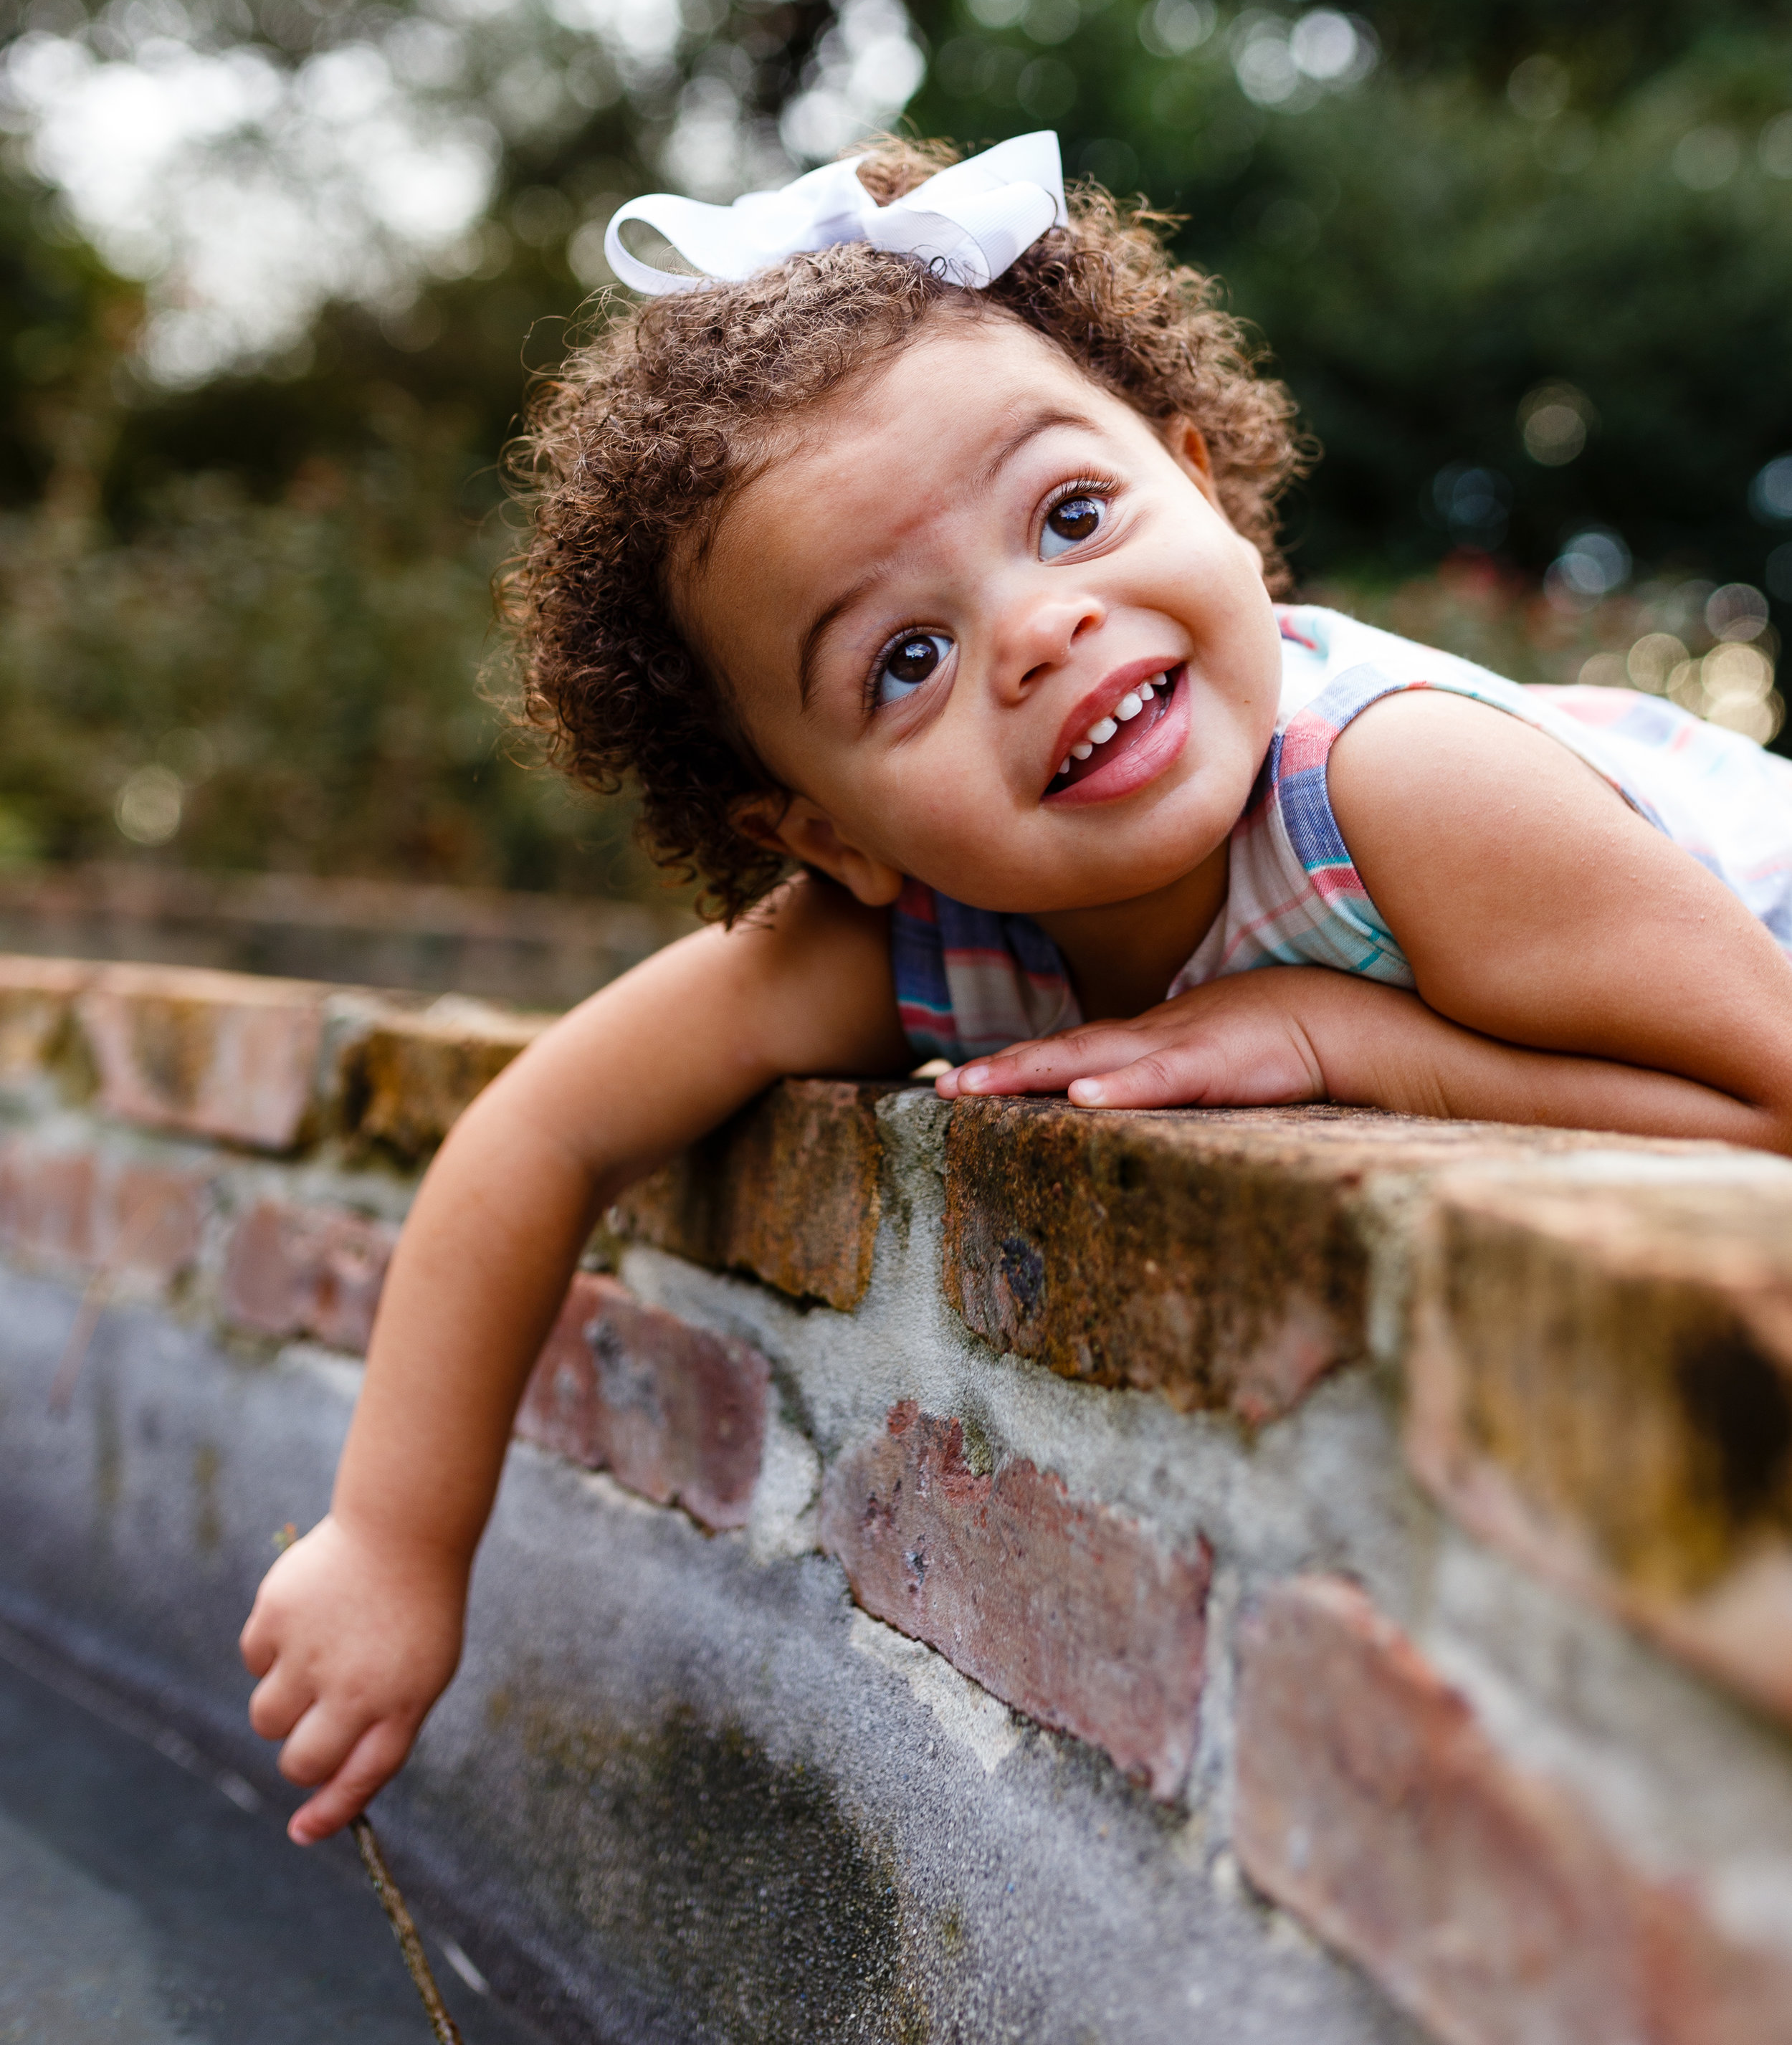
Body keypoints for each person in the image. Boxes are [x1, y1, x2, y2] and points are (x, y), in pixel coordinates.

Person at [240, 130, 1792, 1842]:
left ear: (1199, 483)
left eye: (1070, 515)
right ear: (821, 829)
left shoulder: (1402, 789)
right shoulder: (900, 929)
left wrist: (1343, 1040)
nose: (1038, 628)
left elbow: (1765, 1102)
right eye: (901, 657)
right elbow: (540, 1132)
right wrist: (390, 1540)